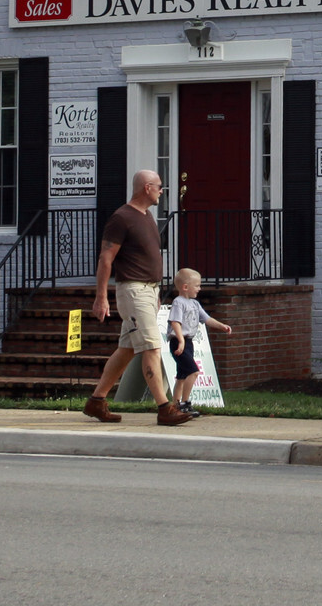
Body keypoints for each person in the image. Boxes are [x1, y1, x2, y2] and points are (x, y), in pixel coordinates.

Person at [82, 170, 194, 427]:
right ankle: (165, 408)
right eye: (159, 186)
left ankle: (96, 401)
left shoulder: (147, 217)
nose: (161, 191)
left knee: (127, 349)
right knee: (152, 347)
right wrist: (101, 296)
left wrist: (155, 293)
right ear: (146, 187)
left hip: (148, 291)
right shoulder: (122, 218)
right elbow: (106, 258)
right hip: (133, 290)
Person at [166, 267, 233, 413]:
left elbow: (207, 319)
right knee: (194, 371)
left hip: (188, 342)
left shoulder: (195, 304)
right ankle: (185, 403)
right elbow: (175, 322)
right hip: (178, 342)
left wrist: (222, 326)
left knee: (182, 375)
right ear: (185, 287)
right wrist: (181, 341)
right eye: (196, 286)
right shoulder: (179, 302)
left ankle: (175, 405)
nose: (199, 288)